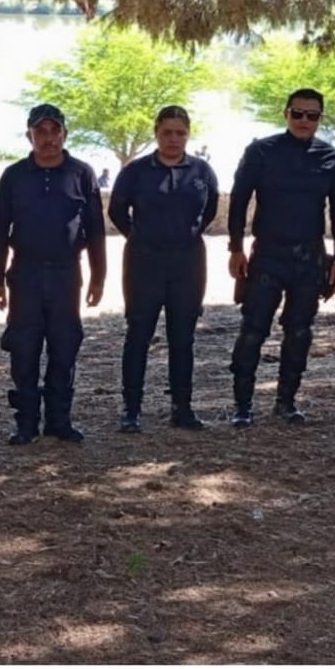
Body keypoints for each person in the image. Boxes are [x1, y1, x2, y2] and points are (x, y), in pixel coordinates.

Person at [226, 89, 335, 426]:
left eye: (312, 115)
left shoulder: (334, 160)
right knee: (252, 330)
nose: (304, 121)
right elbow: (238, 201)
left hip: (310, 257)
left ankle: (286, 401)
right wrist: (235, 248)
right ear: (286, 114)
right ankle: (242, 406)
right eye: (298, 113)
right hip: (266, 254)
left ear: (320, 119)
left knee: (299, 332)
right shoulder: (260, 152)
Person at [0, 103, 106, 444]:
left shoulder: (81, 174)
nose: (48, 138)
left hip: (66, 275)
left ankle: (59, 420)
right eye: (41, 131)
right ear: (30, 135)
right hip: (24, 275)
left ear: (64, 134)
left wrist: (99, 277)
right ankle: (25, 423)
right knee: (24, 349)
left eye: (55, 131)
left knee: (64, 347)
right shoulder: (14, 176)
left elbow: (96, 229)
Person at [108, 105, 219, 432]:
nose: (173, 139)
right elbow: (117, 211)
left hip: (188, 261)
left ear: (188, 134)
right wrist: (141, 238)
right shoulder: (136, 171)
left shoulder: (201, 171)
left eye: (180, 133)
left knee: (182, 337)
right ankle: (131, 410)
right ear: (156, 132)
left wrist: (186, 236)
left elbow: (209, 210)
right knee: (139, 334)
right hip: (144, 261)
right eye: (167, 132)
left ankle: (181, 408)